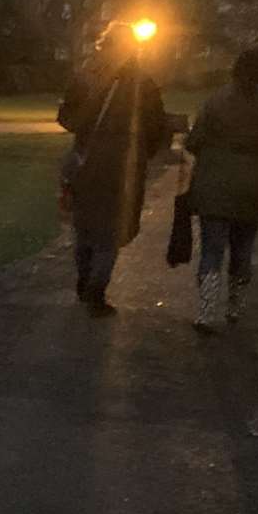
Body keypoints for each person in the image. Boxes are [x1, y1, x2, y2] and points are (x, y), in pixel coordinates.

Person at [56, 23, 168, 316]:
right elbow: (157, 127)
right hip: (123, 165)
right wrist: (142, 151)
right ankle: (97, 288)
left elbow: (66, 118)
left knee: (84, 225)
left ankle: (85, 280)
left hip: (87, 160)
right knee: (110, 230)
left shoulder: (85, 77)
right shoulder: (143, 83)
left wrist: (85, 130)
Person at [183, 48, 258, 332]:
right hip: (253, 185)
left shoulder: (216, 101)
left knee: (212, 250)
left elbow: (194, 142)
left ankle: (206, 311)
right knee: (243, 249)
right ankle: (236, 306)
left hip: (215, 183)